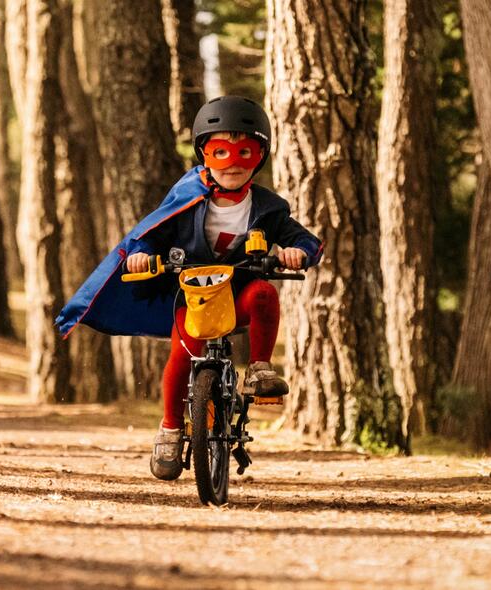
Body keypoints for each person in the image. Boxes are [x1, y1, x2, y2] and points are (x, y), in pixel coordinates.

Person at [54, 96, 322, 481]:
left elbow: (304, 240)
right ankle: (169, 428)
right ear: (204, 154)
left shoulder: (268, 207)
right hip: (194, 293)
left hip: (238, 294)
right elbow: (150, 233)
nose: (231, 163)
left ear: (259, 156)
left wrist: (298, 253)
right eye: (219, 152)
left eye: (244, 152)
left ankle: (259, 369)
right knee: (183, 355)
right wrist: (141, 255)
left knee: (265, 293)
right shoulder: (187, 194)